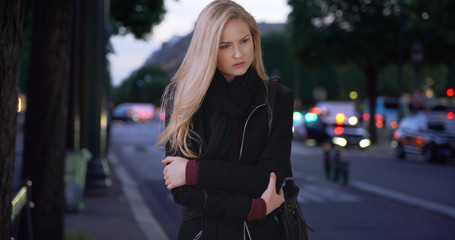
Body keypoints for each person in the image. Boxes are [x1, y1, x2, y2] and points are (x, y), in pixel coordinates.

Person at [156, 1, 294, 239]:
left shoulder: (278, 98)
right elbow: (182, 191)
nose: (238, 53)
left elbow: (268, 179)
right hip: (202, 233)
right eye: (224, 46)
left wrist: (194, 171)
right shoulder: (182, 97)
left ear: (254, 40)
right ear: (208, 49)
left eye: (244, 41)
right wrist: (254, 208)